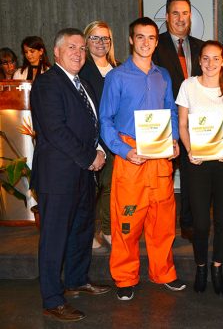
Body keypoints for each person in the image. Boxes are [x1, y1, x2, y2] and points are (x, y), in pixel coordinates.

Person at [100, 17, 185, 301]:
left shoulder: (163, 75)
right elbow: (106, 121)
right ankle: (125, 278)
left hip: (160, 155)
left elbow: (171, 111)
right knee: (127, 221)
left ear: (156, 41)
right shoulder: (117, 77)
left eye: (151, 37)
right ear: (131, 40)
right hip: (131, 154)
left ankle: (164, 273)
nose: (146, 42)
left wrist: (173, 139)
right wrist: (123, 151)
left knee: (162, 219)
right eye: (140, 37)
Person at [30, 28, 110, 322]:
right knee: (54, 238)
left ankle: (77, 280)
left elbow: (91, 125)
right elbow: (56, 131)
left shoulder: (84, 84)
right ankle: (52, 299)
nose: (78, 53)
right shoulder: (48, 84)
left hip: (83, 174)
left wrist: (99, 149)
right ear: (57, 53)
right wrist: (91, 157)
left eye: (81, 49)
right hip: (59, 177)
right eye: (72, 48)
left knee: (80, 231)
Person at [176, 40, 223, 295]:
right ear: (199, 60)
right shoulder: (188, 86)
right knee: (201, 222)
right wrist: (190, 150)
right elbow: (182, 125)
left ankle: (217, 267)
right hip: (197, 161)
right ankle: (201, 266)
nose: (210, 63)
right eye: (206, 58)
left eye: (216, 58)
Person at [153, 0, 204, 242]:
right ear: (167, 16)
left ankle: (189, 222)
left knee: (192, 175)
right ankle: (160, 228)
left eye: (185, 13)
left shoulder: (200, 46)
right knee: (163, 177)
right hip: (164, 122)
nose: (181, 18)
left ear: (190, 16)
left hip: (196, 123)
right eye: (175, 13)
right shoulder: (155, 45)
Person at [80, 20, 120, 253]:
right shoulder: (81, 69)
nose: (101, 43)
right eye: (95, 37)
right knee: (88, 191)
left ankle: (107, 229)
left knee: (110, 187)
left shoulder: (119, 68)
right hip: (90, 139)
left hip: (114, 138)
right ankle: (86, 233)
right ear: (86, 41)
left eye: (105, 38)